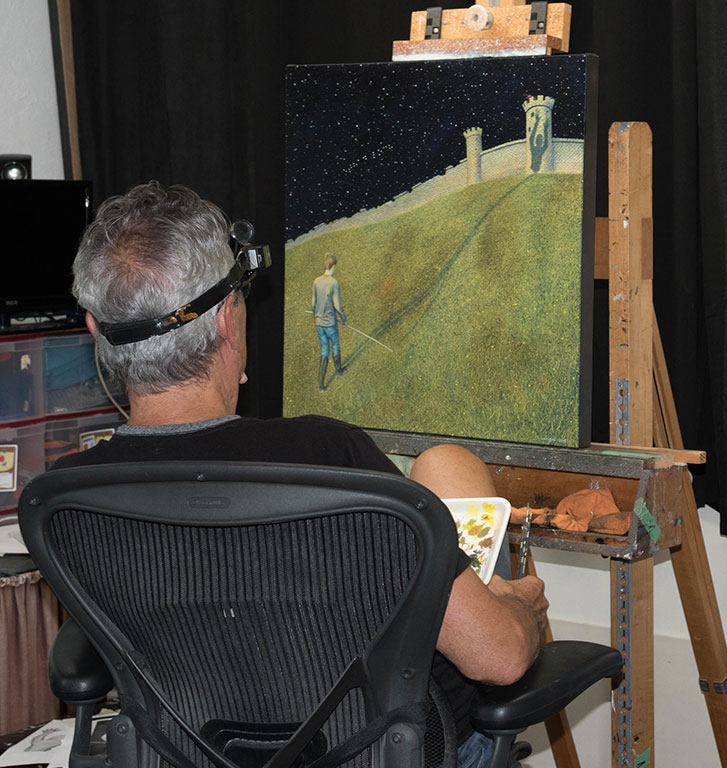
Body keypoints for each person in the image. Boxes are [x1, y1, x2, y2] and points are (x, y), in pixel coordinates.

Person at [56, 181, 547, 768]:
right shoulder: (326, 456)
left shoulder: (71, 497)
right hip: (379, 754)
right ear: (226, 324)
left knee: (445, 468)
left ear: (94, 330)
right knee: (452, 473)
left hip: (188, 755)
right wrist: (522, 610)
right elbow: (499, 660)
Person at [313, 253, 347, 391]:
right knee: (335, 346)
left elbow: (313, 302)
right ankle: (339, 371)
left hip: (319, 323)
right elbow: (337, 305)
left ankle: (321, 384)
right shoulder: (333, 283)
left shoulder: (316, 281)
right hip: (330, 323)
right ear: (333, 267)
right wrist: (343, 319)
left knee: (324, 350)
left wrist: (316, 317)